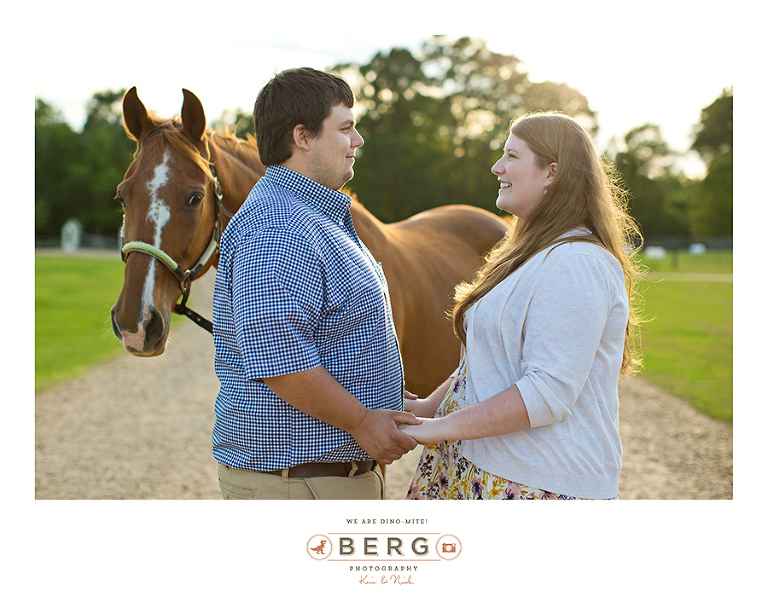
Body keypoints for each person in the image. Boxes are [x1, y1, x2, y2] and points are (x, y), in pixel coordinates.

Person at [401, 112, 643, 500]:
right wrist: (430, 406)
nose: (497, 167)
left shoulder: (578, 262)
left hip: (535, 483)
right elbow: (487, 360)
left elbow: (547, 393)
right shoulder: (529, 255)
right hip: (480, 467)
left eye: (512, 156)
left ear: (551, 172)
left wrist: (441, 428)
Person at [212, 67, 419, 500]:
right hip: (300, 485)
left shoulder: (310, 216)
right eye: (345, 128)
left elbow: (335, 334)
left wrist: (387, 398)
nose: (358, 140)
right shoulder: (281, 227)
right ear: (302, 136)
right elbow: (280, 356)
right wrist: (362, 421)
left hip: (320, 479)